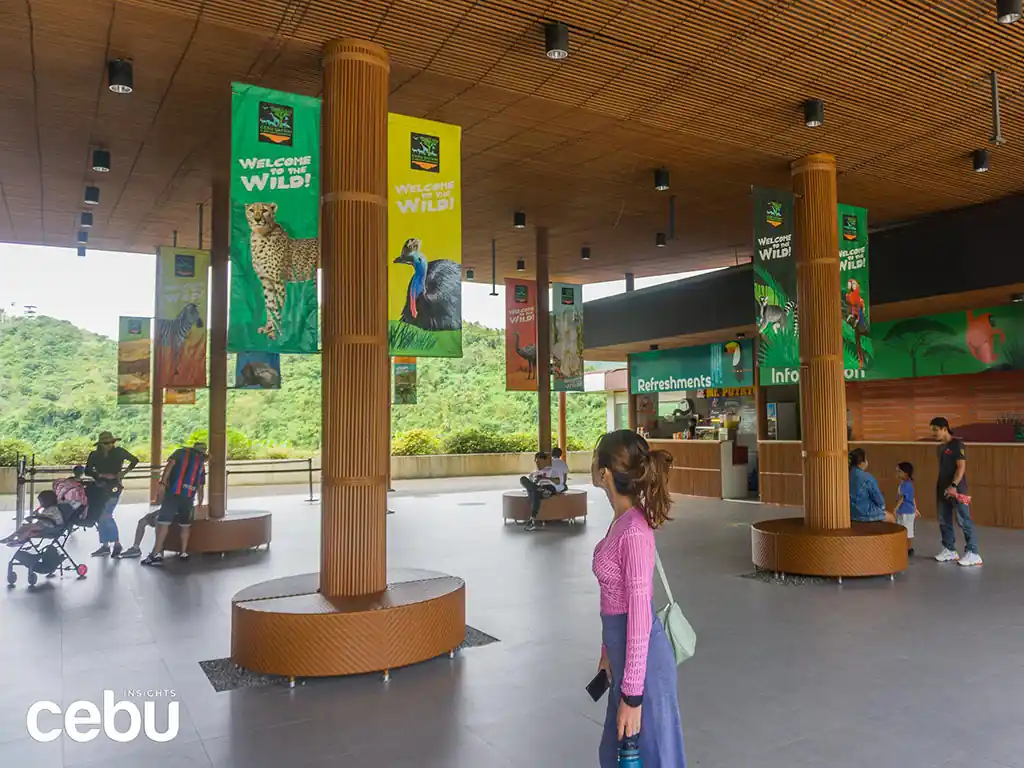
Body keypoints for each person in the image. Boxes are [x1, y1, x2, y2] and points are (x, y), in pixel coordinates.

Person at [591, 430, 686, 767]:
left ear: (604, 473)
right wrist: (606, 655)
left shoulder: (633, 531)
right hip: (624, 661)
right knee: (617, 755)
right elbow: (611, 599)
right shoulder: (621, 522)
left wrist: (632, 694)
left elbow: (640, 615)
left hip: (643, 667)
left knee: (652, 756)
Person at [141, 442, 207, 566]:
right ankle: (183, 552)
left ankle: (156, 553)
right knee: (185, 525)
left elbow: (169, 466)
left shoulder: (180, 453)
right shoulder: (201, 464)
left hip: (173, 494)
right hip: (188, 497)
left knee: (163, 523)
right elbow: (200, 485)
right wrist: (200, 502)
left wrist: (163, 482)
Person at [930, 417, 981, 566]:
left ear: (944, 429)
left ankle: (973, 552)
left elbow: (961, 468)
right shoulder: (940, 448)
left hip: (957, 489)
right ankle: (949, 549)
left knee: (963, 520)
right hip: (942, 489)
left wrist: (953, 485)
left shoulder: (957, 445)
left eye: (935, 430)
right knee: (943, 520)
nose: (933, 433)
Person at [85, 432, 139, 557]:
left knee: (107, 514)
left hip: (114, 486)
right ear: (101, 444)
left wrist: (123, 473)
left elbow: (134, 460)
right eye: (106, 443)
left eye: (112, 442)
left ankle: (117, 543)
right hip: (99, 487)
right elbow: (87, 470)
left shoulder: (119, 452)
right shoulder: (94, 455)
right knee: (100, 515)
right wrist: (100, 475)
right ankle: (105, 545)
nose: (110, 445)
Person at [520, 452, 556, 532]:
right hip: (539, 490)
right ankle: (532, 519)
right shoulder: (533, 474)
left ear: (544, 461)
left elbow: (558, 481)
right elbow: (529, 485)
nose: (538, 464)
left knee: (533, 492)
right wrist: (536, 483)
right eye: (536, 462)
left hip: (547, 487)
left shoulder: (551, 470)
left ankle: (532, 521)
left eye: (540, 462)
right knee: (523, 479)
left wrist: (545, 478)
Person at [848, 448, 887, 522]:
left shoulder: (847, 474)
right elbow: (879, 500)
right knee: (893, 518)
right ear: (861, 462)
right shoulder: (866, 477)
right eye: (866, 459)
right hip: (865, 514)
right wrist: (882, 508)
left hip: (850, 514)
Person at [894, 462, 920, 556]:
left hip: (906, 511)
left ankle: (908, 549)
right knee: (904, 529)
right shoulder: (904, 483)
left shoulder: (906, 485)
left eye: (899, 471)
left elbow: (903, 498)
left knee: (906, 530)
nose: (897, 473)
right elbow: (912, 497)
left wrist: (895, 508)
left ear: (906, 473)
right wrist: (916, 508)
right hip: (906, 511)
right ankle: (905, 547)